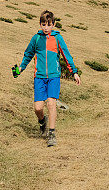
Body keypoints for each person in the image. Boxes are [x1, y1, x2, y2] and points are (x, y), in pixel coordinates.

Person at [12, 10, 80, 147]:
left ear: (53, 24)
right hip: (39, 77)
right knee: (38, 108)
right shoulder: (36, 39)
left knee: (51, 103)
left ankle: (52, 133)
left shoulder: (58, 38)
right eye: (43, 24)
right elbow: (28, 55)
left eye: (48, 25)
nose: (46, 28)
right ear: (40, 24)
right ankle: (43, 121)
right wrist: (20, 69)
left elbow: (67, 55)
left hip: (54, 77)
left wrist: (74, 72)